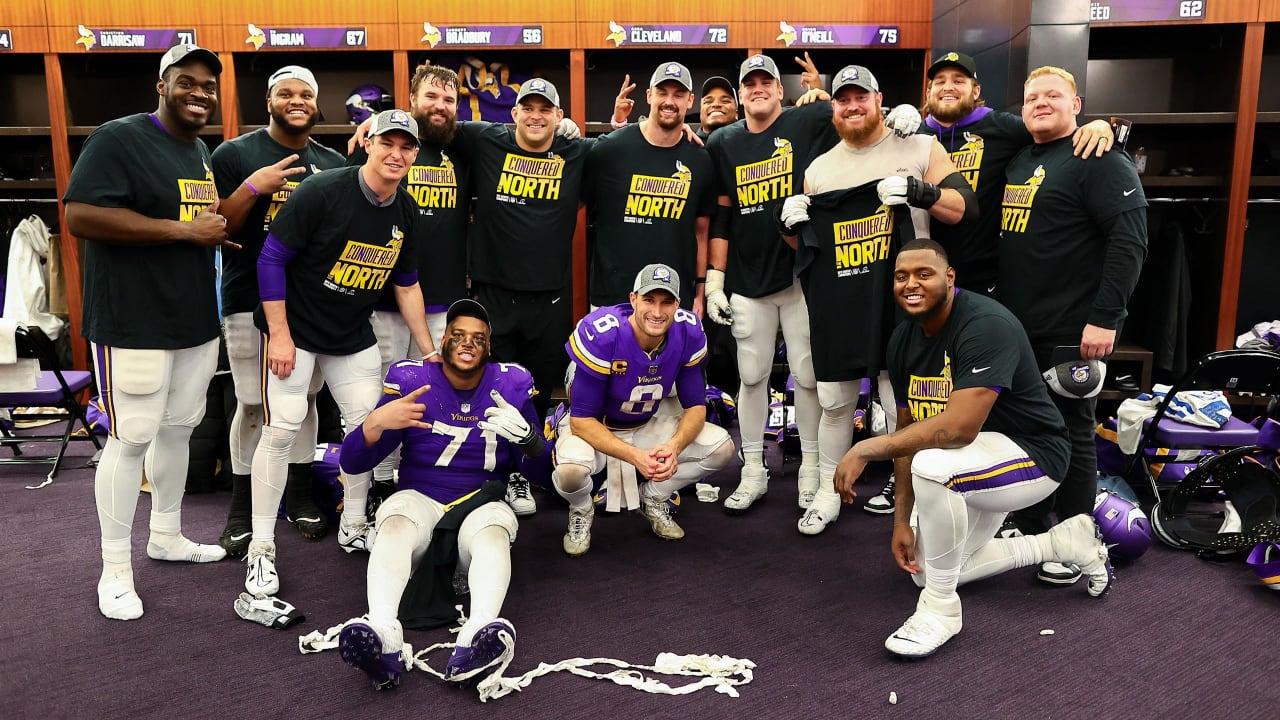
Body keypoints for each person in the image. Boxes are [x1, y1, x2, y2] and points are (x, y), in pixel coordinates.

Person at [833, 239, 1111, 659]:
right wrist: (901, 520)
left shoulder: (985, 324)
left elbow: (959, 430)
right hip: (974, 463)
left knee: (932, 468)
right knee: (927, 570)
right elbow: (912, 430)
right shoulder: (903, 338)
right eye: (901, 276)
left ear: (949, 277)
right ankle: (1058, 545)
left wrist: (869, 449)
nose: (911, 284)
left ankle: (941, 611)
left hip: (1034, 455)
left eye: (924, 274)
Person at [704, 55, 918, 516]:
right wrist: (714, 279)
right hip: (747, 278)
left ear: (780, 90)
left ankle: (811, 472)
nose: (758, 89)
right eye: (750, 84)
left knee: (808, 376)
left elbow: (861, 116)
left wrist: (906, 111)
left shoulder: (812, 117)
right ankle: (753, 469)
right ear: (741, 93)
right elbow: (720, 211)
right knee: (751, 375)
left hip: (804, 274)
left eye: (766, 82)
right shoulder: (722, 140)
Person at [64, 44, 230, 620]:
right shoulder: (118, 137)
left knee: (179, 430)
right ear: (162, 85)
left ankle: (167, 534)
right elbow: (79, 215)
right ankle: (114, 568)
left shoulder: (199, 151)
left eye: (209, 85)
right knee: (131, 435)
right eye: (188, 81)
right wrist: (184, 232)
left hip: (193, 319)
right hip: (132, 321)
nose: (200, 93)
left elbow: (203, 225)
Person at [244, 109, 437, 598]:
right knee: (282, 427)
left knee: (366, 425)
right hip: (296, 328)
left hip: (350, 331)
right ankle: (261, 549)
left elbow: (408, 284)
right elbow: (271, 259)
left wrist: (430, 352)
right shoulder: (323, 190)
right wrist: (280, 334)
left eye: (406, 146)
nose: (396, 154)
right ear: (367, 142)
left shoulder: (405, 208)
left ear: (415, 154)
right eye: (387, 143)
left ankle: (354, 523)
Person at [778, 64, 976, 535]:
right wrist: (788, 225)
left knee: (905, 405)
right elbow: (808, 249)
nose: (852, 105)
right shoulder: (820, 170)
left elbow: (966, 208)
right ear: (833, 108)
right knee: (834, 401)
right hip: (842, 303)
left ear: (878, 99)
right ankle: (829, 491)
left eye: (860, 97)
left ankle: (918, 501)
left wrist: (921, 192)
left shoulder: (920, 145)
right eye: (843, 99)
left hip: (906, 301)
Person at [335, 299, 543, 690]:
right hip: (421, 502)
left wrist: (530, 442)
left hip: (479, 503)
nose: (467, 344)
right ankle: (381, 631)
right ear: (444, 339)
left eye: (478, 338)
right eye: (459, 335)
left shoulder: (510, 385)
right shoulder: (414, 381)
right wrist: (374, 424)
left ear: (489, 347)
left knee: (495, 531)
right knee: (394, 522)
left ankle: (480, 634)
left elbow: (542, 471)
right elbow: (353, 461)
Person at [999, 66, 1148, 585]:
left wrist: (1106, 318)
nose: (1040, 103)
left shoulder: (1099, 157)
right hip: (1018, 328)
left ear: (1076, 103)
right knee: (1024, 430)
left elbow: (1130, 241)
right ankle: (1034, 524)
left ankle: (1077, 537)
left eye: (1053, 95)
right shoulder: (1021, 156)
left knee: (1072, 431)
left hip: (1072, 329)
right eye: (1032, 96)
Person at [211, 65, 345, 555]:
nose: (297, 100)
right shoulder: (234, 154)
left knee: (301, 403)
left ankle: (302, 493)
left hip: (307, 307)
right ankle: (242, 507)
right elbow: (216, 225)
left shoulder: (330, 162)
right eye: (285, 93)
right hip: (248, 296)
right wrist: (252, 188)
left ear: (315, 104)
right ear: (268, 101)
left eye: (306, 94)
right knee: (251, 403)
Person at [346, 65, 488, 513]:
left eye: (449, 100)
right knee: (384, 394)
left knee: (437, 393)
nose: (440, 107)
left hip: (443, 299)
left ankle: (425, 476)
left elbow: (514, 131)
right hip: (384, 298)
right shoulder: (386, 146)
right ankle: (382, 483)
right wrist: (370, 128)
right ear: (411, 100)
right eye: (431, 97)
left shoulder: (461, 150)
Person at [551, 264, 735, 556]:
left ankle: (654, 497)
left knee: (722, 447)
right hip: (596, 429)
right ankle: (581, 510)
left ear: (678, 304)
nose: (658, 312)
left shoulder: (686, 331)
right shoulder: (604, 332)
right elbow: (582, 420)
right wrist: (637, 457)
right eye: (649, 300)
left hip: (647, 423)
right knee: (570, 472)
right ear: (633, 299)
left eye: (667, 302)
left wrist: (674, 447)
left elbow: (696, 407)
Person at [453, 79, 592, 424]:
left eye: (545, 109)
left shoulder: (576, 152)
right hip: (494, 296)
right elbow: (434, 121)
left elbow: (635, 142)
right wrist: (377, 121)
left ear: (559, 116)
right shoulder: (485, 139)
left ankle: (529, 471)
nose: (535, 116)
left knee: (538, 393)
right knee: (489, 391)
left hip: (550, 301)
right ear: (513, 113)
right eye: (528, 108)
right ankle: (492, 469)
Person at [919, 52, 1114, 298]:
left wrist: (1099, 125)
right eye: (940, 81)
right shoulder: (914, 137)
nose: (949, 87)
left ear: (975, 91)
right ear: (928, 92)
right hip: (924, 274)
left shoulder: (1004, 127)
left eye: (959, 80)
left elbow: (1056, 131)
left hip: (985, 276)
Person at [584, 61, 716, 313]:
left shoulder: (700, 159)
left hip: (674, 299)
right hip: (614, 298)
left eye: (678, 94)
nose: (669, 101)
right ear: (649, 96)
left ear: (690, 101)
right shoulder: (609, 150)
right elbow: (578, 204)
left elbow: (701, 232)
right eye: (662, 93)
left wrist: (700, 293)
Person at [698, 76, 739, 140]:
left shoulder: (748, 144)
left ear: (736, 114)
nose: (716, 104)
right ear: (701, 113)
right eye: (708, 101)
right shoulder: (686, 145)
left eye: (725, 101)